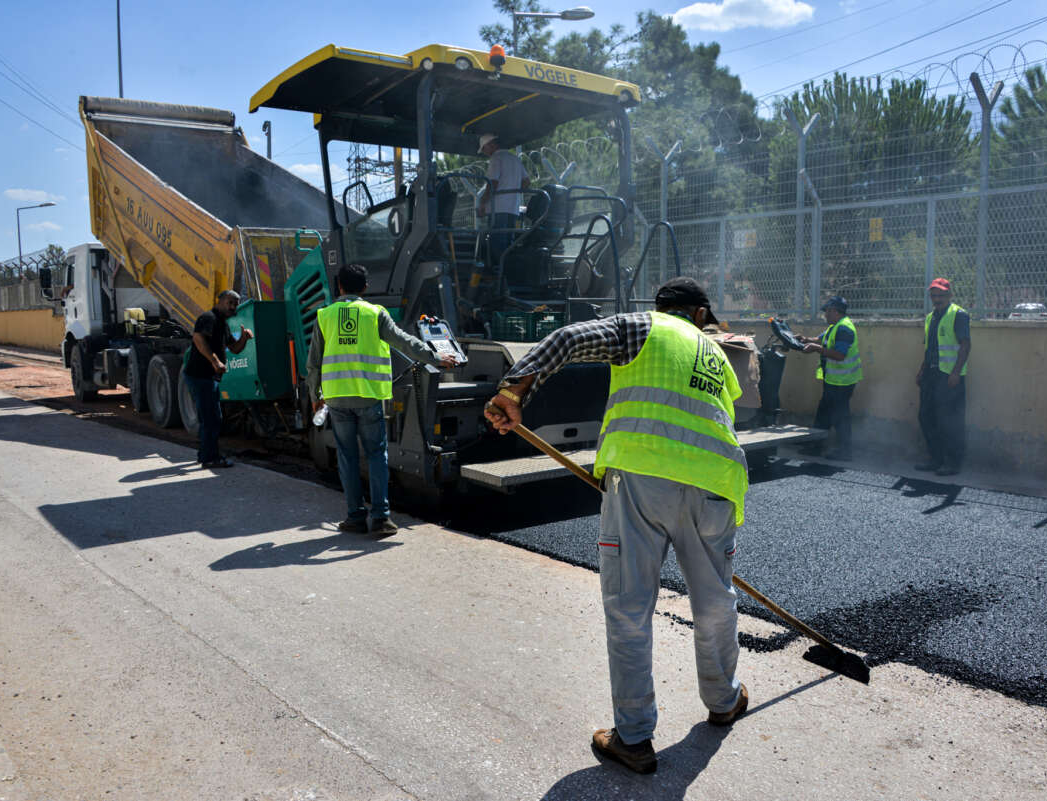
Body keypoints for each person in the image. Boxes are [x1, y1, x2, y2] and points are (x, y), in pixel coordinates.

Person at [484, 276, 751, 776]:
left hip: (642, 478)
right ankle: (724, 700)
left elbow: (565, 339)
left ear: (665, 308)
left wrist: (513, 389)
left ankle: (633, 738)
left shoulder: (643, 327)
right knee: (715, 600)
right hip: (717, 483)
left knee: (630, 607)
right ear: (698, 314)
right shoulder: (716, 356)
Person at [307, 264, 458, 535]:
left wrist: (314, 396)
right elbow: (403, 342)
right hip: (369, 397)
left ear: (339, 287)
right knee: (377, 455)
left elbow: (313, 363)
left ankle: (354, 517)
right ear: (365, 287)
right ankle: (380, 518)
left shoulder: (324, 316)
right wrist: (435, 358)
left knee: (347, 457)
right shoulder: (375, 313)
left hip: (337, 398)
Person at [184, 289, 253, 469]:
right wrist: (215, 361)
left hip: (209, 378)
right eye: (229, 302)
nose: (232, 307)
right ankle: (209, 458)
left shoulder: (223, 324)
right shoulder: (208, 318)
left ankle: (205, 455)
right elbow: (198, 338)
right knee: (212, 418)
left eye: (235, 304)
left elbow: (235, 348)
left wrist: (244, 338)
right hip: (200, 376)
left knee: (212, 417)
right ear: (220, 301)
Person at [916, 277, 971, 476]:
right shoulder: (931, 317)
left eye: (941, 295)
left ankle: (953, 462)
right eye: (934, 295)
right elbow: (930, 347)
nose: (937, 299)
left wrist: (956, 372)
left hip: (949, 376)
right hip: (931, 374)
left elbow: (965, 345)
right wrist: (922, 369)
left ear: (949, 295)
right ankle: (935, 458)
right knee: (926, 416)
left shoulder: (959, 315)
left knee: (949, 420)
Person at [796, 295, 862, 460]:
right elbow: (820, 339)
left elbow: (839, 355)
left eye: (827, 311)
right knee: (824, 414)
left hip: (843, 382)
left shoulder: (844, 328)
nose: (825, 314)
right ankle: (816, 446)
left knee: (840, 417)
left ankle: (845, 452)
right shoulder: (835, 326)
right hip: (833, 380)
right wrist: (805, 339)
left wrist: (816, 349)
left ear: (835, 311)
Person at [477, 133, 530, 266]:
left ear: (491, 145)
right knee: (509, 243)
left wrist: (482, 203)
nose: (484, 152)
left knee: (496, 243)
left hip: (498, 209)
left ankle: (499, 275)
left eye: (484, 149)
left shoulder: (496, 158)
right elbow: (526, 182)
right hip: (513, 209)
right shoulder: (515, 158)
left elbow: (492, 183)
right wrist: (513, 193)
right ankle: (510, 272)